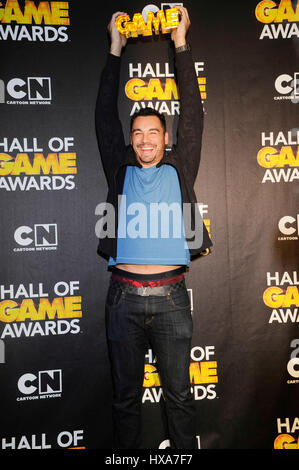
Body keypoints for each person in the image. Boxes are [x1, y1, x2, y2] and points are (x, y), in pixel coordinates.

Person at [95, 6, 212, 449]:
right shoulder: (120, 169)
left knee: (179, 399)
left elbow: (194, 115)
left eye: (154, 132)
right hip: (122, 299)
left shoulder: (181, 168)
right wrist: (115, 48)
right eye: (138, 133)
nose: (145, 140)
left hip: (172, 299)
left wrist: (180, 42)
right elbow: (105, 115)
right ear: (133, 139)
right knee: (125, 400)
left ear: (166, 138)